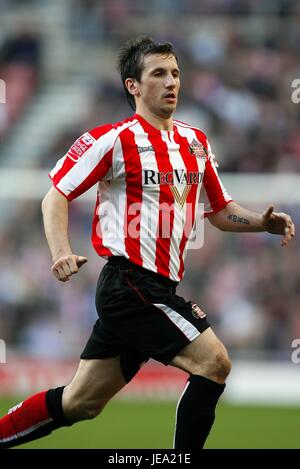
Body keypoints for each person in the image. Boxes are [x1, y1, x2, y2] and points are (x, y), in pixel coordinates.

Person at [0, 36, 295, 449]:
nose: (171, 82)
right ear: (132, 86)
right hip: (129, 285)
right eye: (158, 73)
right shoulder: (113, 140)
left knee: (80, 402)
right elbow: (56, 194)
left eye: (175, 73)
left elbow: (220, 210)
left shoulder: (196, 142)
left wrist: (259, 222)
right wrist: (60, 250)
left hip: (156, 288)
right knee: (215, 363)